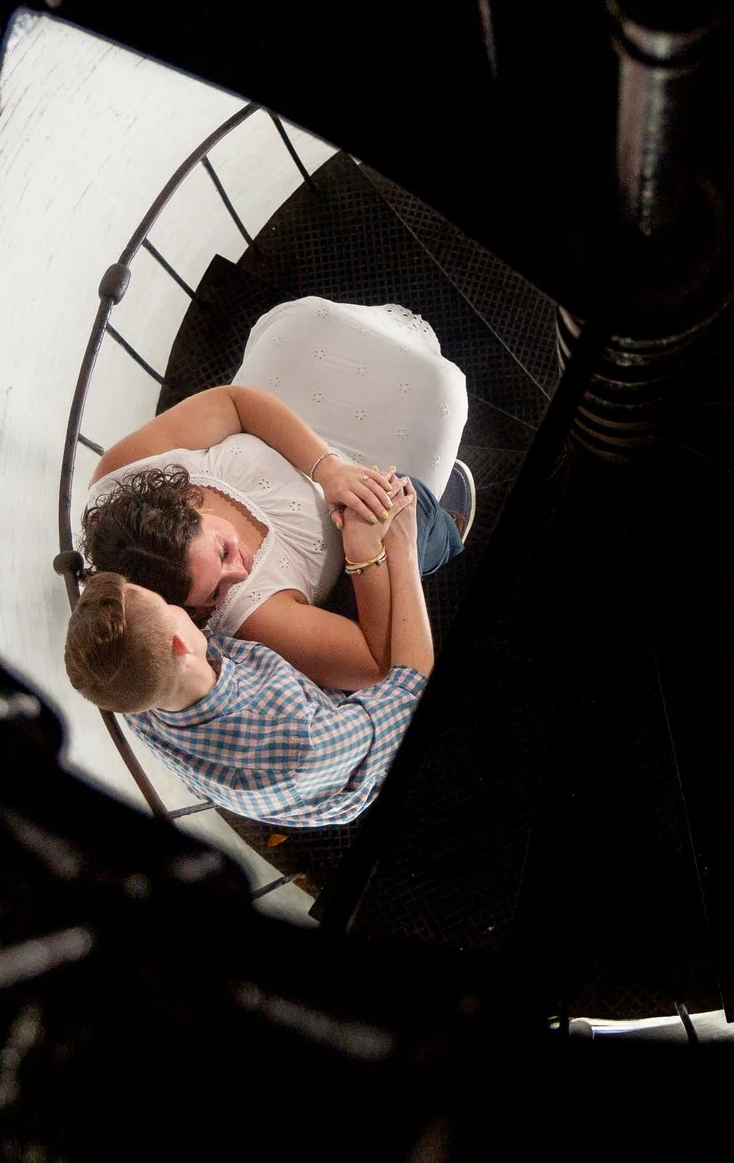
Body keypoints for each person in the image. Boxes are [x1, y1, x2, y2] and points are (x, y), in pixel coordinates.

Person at [78, 301, 470, 694]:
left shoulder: (121, 472)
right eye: (213, 593)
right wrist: (360, 550)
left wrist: (328, 469)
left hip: (302, 439)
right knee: (416, 504)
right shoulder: (250, 615)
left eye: (223, 551)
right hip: (364, 514)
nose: (240, 571)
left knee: (312, 325)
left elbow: (235, 403)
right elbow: (375, 665)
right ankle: (444, 529)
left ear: (187, 505)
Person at [63, 488, 432, 827]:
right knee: (417, 527)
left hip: (300, 732)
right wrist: (404, 545)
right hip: (372, 758)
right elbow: (412, 686)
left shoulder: (136, 687)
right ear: (180, 645)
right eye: (165, 604)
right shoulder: (301, 743)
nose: (179, 606)